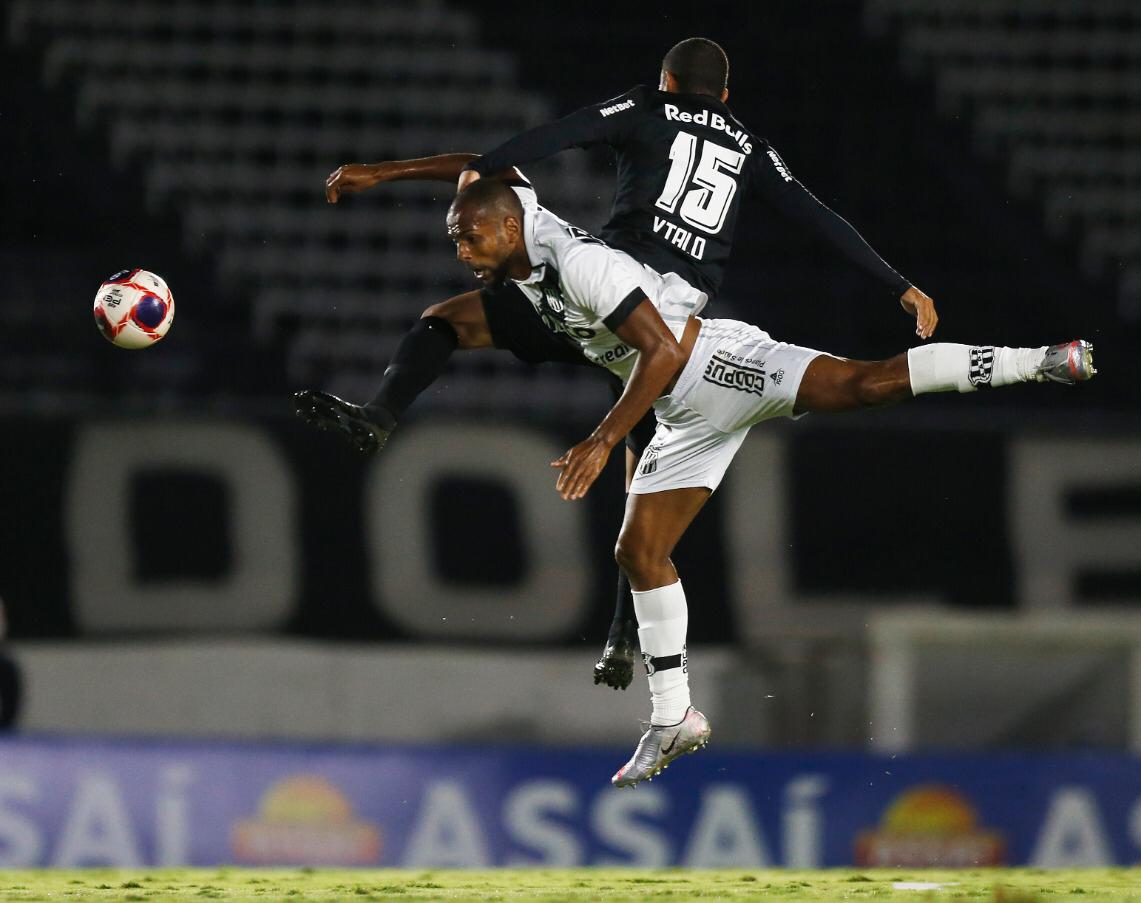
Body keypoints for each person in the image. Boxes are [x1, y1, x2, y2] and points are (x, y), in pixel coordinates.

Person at [298, 173, 1095, 787]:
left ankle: (1039, 361)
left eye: (470, 238)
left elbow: (665, 353)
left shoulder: (581, 266)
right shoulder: (523, 239)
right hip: (680, 417)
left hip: (716, 367)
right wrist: (378, 172)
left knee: (863, 383)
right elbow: (479, 169)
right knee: (640, 552)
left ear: (509, 226)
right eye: (458, 238)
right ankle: (674, 716)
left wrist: (606, 439)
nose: (462, 252)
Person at [322, 37, 937, 692]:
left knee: (448, 320)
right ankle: (622, 632)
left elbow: (562, 134)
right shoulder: (751, 146)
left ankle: (381, 413)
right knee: (642, 476)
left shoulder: (648, 106)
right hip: (667, 329)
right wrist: (897, 282)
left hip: (608, 299)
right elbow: (812, 214)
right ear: (724, 97)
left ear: (668, 79)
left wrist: (473, 180)